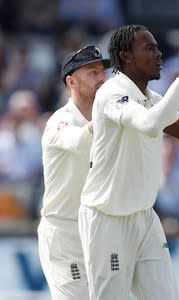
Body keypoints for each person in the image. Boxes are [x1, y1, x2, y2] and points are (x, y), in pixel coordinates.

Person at [78, 24, 179, 300]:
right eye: (149, 48)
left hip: (144, 218)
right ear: (125, 56)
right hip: (107, 220)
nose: (159, 54)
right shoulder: (112, 93)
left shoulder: (151, 99)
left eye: (157, 48)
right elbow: (150, 125)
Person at [37, 45, 109, 299]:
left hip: (98, 232)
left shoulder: (109, 120)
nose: (102, 78)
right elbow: (77, 141)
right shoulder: (59, 120)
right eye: (92, 72)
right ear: (71, 81)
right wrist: (107, 116)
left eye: (102, 71)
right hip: (64, 233)